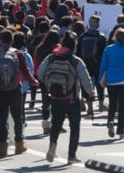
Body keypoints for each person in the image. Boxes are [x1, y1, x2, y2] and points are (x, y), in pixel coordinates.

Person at [38, 33, 94, 164]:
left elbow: (40, 73)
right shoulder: (75, 60)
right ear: (74, 46)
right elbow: (85, 79)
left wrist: (49, 84)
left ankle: (52, 145)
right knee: (75, 127)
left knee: (56, 124)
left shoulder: (51, 57)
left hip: (56, 97)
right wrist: (90, 93)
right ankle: (71, 156)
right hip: (72, 98)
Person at [0, 30, 38, 156]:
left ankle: (3, 147)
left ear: (1, 40)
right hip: (15, 89)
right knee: (17, 117)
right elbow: (25, 71)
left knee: (2, 118)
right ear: (12, 41)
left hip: (0, 89)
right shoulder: (17, 53)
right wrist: (34, 82)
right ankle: (19, 145)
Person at [76, 16, 108, 113]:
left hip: (85, 63)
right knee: (99, 84)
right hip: (98, 63)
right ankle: (101, 105)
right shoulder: (101, 37)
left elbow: (78, 52)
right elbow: (104, 53)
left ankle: (89, 107)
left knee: (87, 83)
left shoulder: (83, 36)